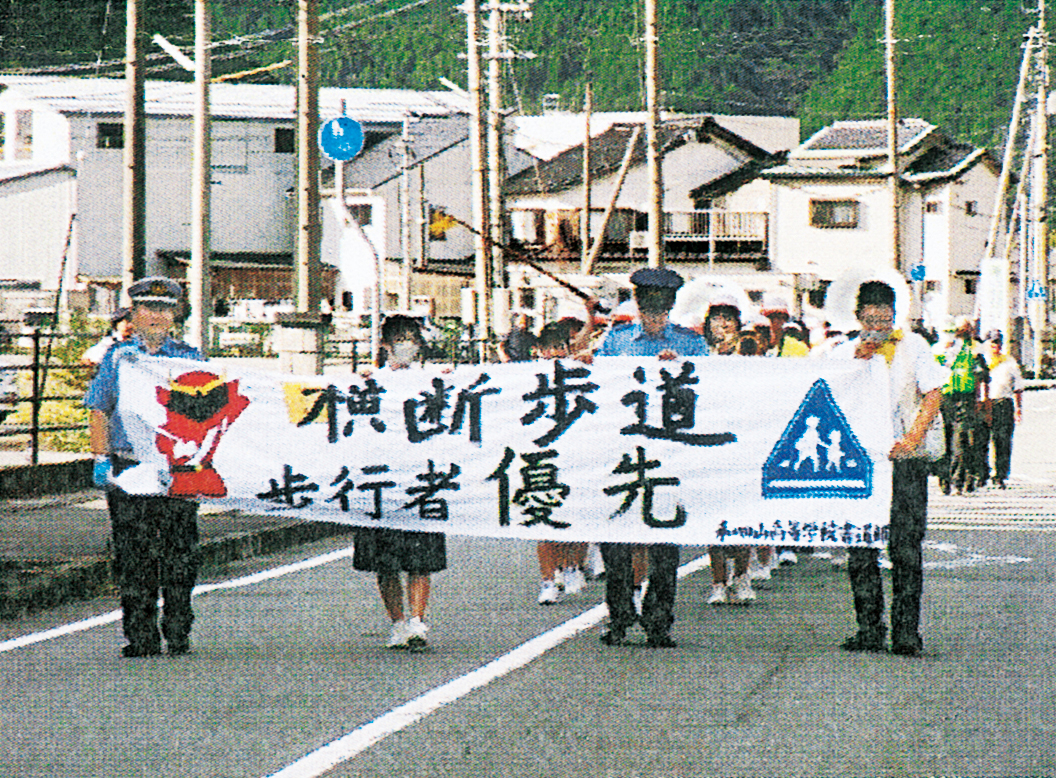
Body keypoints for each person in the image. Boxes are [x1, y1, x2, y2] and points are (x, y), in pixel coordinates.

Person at [85, 278, 203, 657]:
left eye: (164, 309)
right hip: (130, 464)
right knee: (133, 553)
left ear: (175, 315)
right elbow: (98, 408)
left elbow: (206, 413)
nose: (156, 316)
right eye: (148, 308)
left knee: (180, 551)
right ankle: (140, 634)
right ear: (133, 315)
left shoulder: (190, 358)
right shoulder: (118, 358)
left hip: (177, 467)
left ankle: (178, 628)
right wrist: (101, 459)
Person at [829, 280, 946, 655]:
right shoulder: (843, 353)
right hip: (861, 465)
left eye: (886, 319)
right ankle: (868, 628)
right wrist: (854, 364)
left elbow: (933, 393)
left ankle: (907, 631)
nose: (879, 327)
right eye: (872, 319)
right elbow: (826, 395)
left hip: (905, 461)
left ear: (895, 315)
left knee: (906, 548)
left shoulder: (914, 345)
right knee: (861, 547)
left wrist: (913, 438)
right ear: (858, 316)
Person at [594, 267, 707, 648]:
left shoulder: (691, 344)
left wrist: (682, 369)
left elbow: (715, 387)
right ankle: (619, 615)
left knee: (665, 541)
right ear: (638, 308)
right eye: (648, 311)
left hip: (670, 452)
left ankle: (660, 619)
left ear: (671, 309)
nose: (655, 319)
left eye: (661, 312)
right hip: (623, 449)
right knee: (616, 539)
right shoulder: (618, 341)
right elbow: (600, 390)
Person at [353, 315, 446, 651]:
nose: (408, 345)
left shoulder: (431, 380)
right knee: (385, 562)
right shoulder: (368, 384)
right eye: (401, 339)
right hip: (379, 482)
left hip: (419, 477)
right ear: (386, 345)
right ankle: (397, 623)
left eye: (413, 338)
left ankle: (419, 622)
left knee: (420, 559)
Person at [700, 295, 756, 606]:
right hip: (708, 443)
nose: (722, 323)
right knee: (713, 517)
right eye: (716, 317)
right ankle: (718, 582)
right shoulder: (699, 354)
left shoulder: (749, 350)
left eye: (728, 317)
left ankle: (743, 575)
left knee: (742, 513)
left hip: (742, 442)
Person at [533, 319, 589, 605]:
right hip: (540, 457)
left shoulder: (580, 372)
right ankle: (547, 579)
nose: (556, 353)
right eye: (550, 348)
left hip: (575, 454)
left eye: (561, 347)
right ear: (540, 351)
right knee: (543, 519)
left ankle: (571, 566)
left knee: (574, 516)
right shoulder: (526, 375)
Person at [936, 317, 989, 494]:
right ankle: (945, 478)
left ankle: (958, 480)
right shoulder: (936, 351)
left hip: (964, 399)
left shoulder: (971, 350)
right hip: (943, 399)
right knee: (945, 439)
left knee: (960, 440)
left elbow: (982, 375)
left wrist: (982, 400)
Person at [984, 332, 1024, 489]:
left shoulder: (1009, 362)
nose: (996, 346)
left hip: (1003, 403)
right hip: (984, 404)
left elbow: (1018, 387)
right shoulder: (981, 361)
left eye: (998, 343)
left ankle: (1000, 474)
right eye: (992, 343)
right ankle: (981, 473)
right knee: (980, 441)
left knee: (1002, 441)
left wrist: (1018, 408)